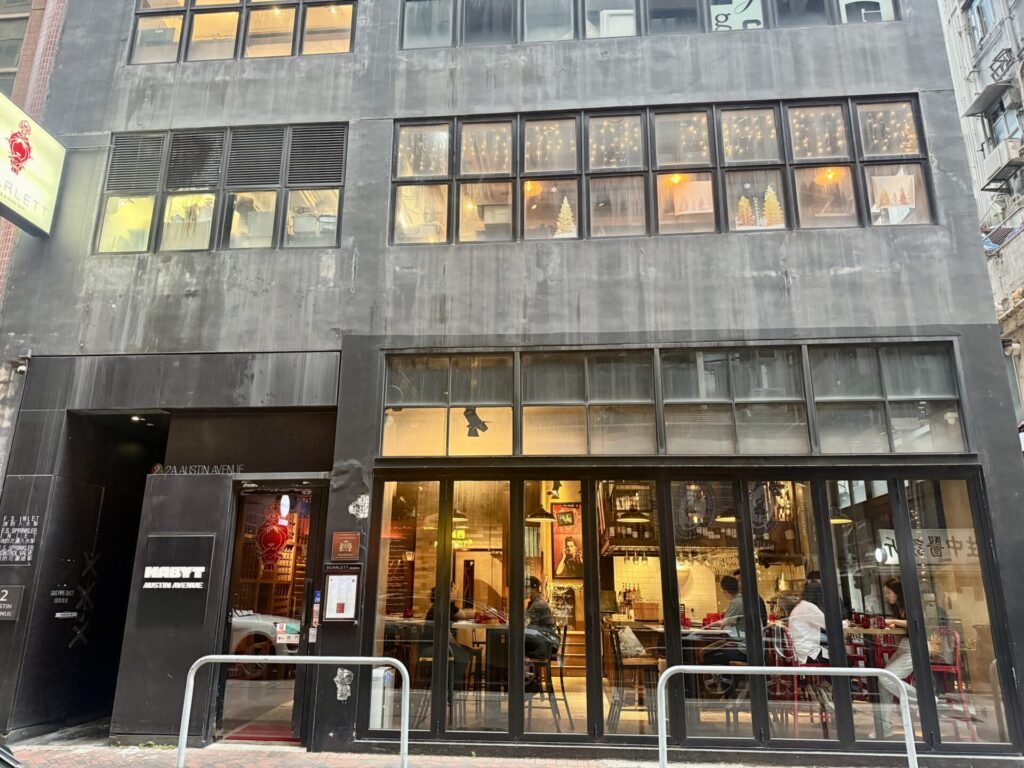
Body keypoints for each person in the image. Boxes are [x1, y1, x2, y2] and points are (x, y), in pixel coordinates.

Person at [873, 577, 916, 737]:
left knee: (885, 677)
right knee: (882, 680)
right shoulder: (899, 608)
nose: (887, 596)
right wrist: (894, 623)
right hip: (903, 646)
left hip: (914, 648)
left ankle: (922, 699)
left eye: (888, 592)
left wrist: (892, 621)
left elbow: (915, 622)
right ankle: (885, 728)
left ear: (898, 592)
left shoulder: (911, 606)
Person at [787, 579, 834, 714]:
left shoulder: (801, 606)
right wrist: (847, 622)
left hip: (802, 652)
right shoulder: (809, 607)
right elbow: (831, 623)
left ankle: (825, 690)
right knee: (844, 660)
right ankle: (828, 691)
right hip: (809, 653)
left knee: (839, 658)